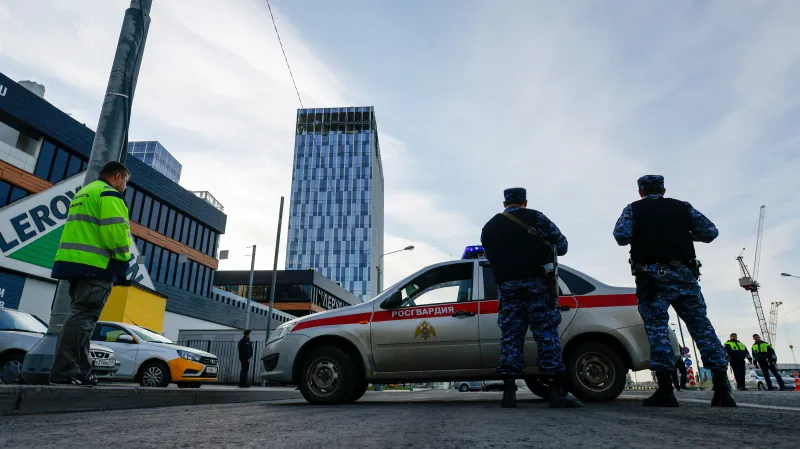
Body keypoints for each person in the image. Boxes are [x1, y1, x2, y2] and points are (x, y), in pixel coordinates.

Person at [613, 175, 735, 407]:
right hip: (685, 276)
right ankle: (722, 390)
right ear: (663, 189)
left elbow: (621, 237)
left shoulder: (633, 209)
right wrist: (684, 235)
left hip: (652, 278)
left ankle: (666, 391)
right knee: (701, 327)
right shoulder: (683, 207)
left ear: (641, 192)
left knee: (658, 330)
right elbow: (710, 232)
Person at [480, 187, 581, 408]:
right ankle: (556, 392)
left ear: (504, 203)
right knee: (546, 334)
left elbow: (490, 257)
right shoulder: (536, 217)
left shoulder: (489, 227)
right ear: (524, 201)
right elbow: (562, 246)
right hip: (538, 285)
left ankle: (509, 393)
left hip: (507, 288)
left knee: (511, 337)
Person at [49, 162, 132, 386]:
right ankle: (66, 370)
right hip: (96, 267)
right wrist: (125, 260)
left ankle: (80, 370)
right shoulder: (109, 195)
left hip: (75, 264)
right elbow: (115, 235)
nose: (125, 187)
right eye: (125, 181)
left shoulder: (84, 193)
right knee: (83, 318)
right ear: (117, 177)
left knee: (80, 317)